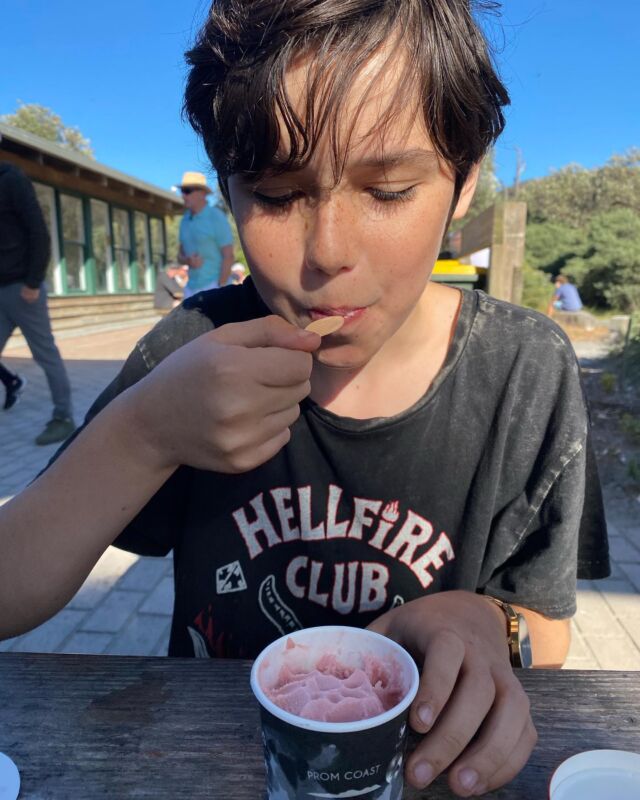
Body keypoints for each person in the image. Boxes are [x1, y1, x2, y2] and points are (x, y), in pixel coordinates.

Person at [0, 1, 609, 796]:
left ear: (465, 177)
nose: (328, 254)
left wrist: (487, 622)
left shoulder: (525, 371)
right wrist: (144, 434)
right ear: (226, 189)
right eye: (278, 194)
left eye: (388, 189)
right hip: (214, 758)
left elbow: (548, 626)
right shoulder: (194, 353)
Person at [0, 162, 75, 445]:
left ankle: (64, 418)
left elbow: (39, 232)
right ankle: (13, 383)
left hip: (23, 289)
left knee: (45, 355)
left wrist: (33, 281)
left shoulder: (11, 179)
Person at [176, 171, 235, 297]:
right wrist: (187, 260)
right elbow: (180, 256)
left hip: (214, 287)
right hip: (190, 289)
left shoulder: (216, 217)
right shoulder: (184, 220)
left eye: (187, 191)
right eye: (182, 191)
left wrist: (221, 286)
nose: (183, 196)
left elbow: (228, 256)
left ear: (202, 193)